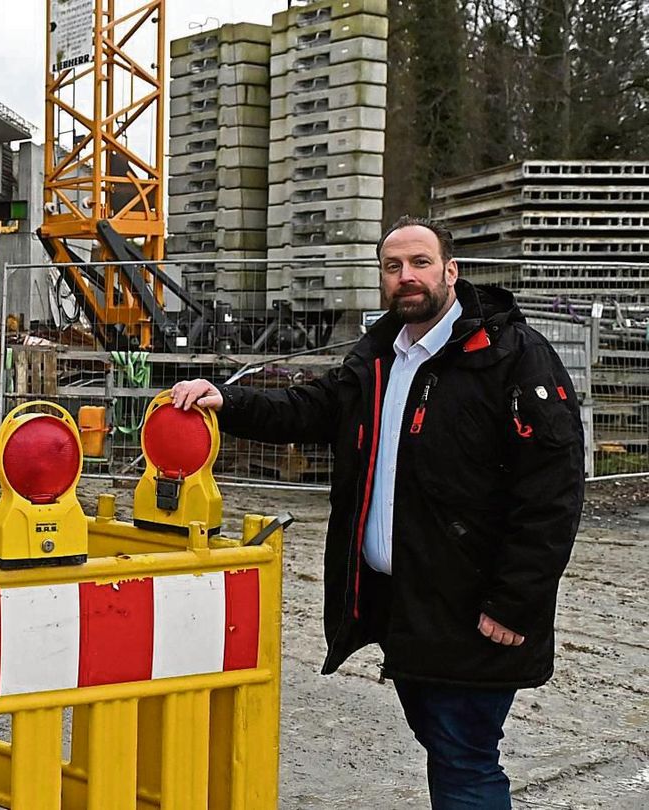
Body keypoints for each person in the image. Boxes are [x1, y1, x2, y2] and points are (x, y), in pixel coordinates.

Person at [172, 216, 584, 809]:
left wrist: (515, 602)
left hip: (473, 604)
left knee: (465, 757)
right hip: (403, 599)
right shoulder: (383, 354)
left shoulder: (512, 356)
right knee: (446, 745)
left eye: (419, 263)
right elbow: (310, 410)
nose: (406, 277)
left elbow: (552, 492)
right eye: (392, 267)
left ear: (451, 270)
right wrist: (225, 400)